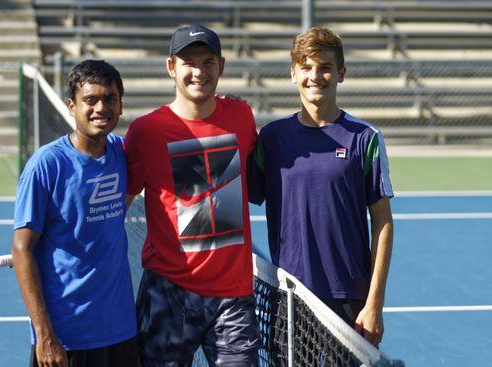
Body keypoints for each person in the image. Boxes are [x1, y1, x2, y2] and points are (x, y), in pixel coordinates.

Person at [248, 27, 394, 346]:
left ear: (341, 73)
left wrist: (374, 304)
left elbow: (383, 222)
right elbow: (237, 198)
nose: (315, 76)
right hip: (289, 295)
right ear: (293, 73)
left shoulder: (365, 138)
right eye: (306, 67)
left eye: (325, 67)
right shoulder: (271, 138)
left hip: (350, 300)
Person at [124, 24, 260, 366]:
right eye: (189, 62)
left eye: (207, 62)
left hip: (234, 296)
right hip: (168, 293)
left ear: (221, 67)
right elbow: (117, 210)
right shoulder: (145, 132)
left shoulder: (242, 116)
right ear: (171, 67)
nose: (199, 71)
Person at [12, 60, 138, 367]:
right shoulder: (46, 164)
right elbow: (21, 249)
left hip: (119, 330)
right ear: (72, 106)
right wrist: (45, 336)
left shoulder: (124, 153)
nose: (101, 108)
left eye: (110, 99)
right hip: (65, 337)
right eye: (90, 100)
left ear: (120, 106)